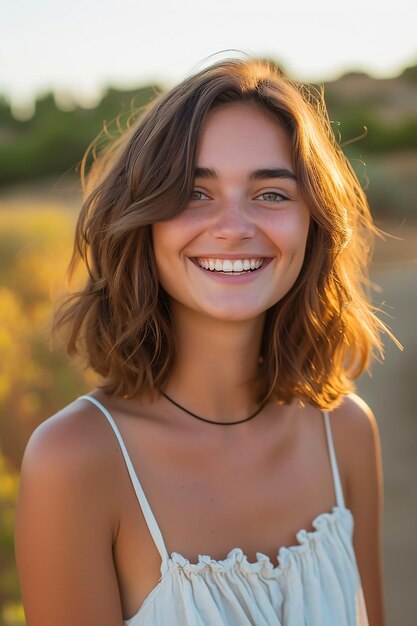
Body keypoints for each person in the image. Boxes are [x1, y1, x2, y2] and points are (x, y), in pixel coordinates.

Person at [15, 58, 389, 626]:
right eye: (193, 192)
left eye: (271, 194)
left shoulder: (347, 433)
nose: (234, 226)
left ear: (313, 223)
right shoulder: (76, 460)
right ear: (142, 218)